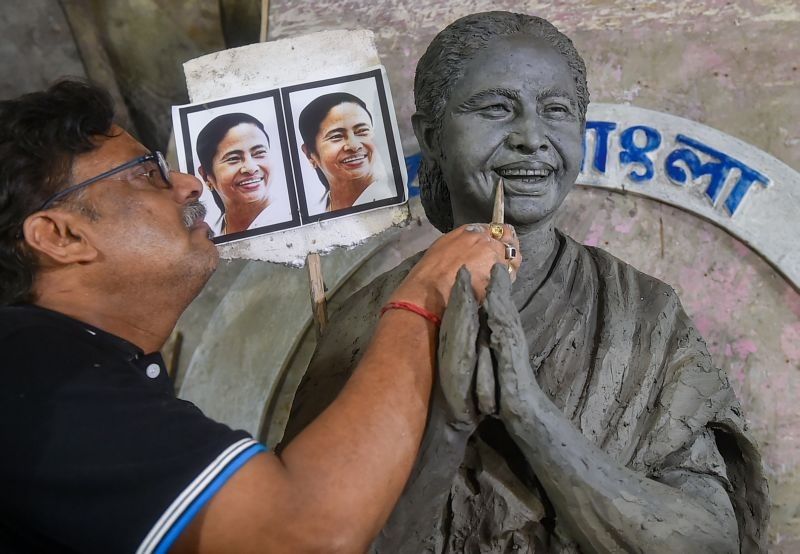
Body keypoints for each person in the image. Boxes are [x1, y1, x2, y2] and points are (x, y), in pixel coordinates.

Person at [282, 11, 769, 554]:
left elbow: (711, 541)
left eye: (556, 111)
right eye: (496, 108)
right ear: (432, 136)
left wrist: (533, 418)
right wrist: (445, 427)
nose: (532, 138)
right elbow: (308, 537)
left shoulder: (644, 312)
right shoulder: (372, 316)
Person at [0, 79, 521, 553]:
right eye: (145, 173)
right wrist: (427, 295)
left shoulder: (85, 367)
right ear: (60, 236)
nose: (189, 184)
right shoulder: (29, 371)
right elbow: (303, 534)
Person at [298, 92, 395, 214]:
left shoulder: (390, 198)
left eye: (362, 131)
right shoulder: (316, 211)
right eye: (336, 136)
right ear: (309, 154)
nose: (354, 146)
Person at [196, 112, 291, 235]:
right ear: (205, 175)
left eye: (259, 153)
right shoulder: (211, 234)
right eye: (233, 158)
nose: (251, 168)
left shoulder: (288, 217)